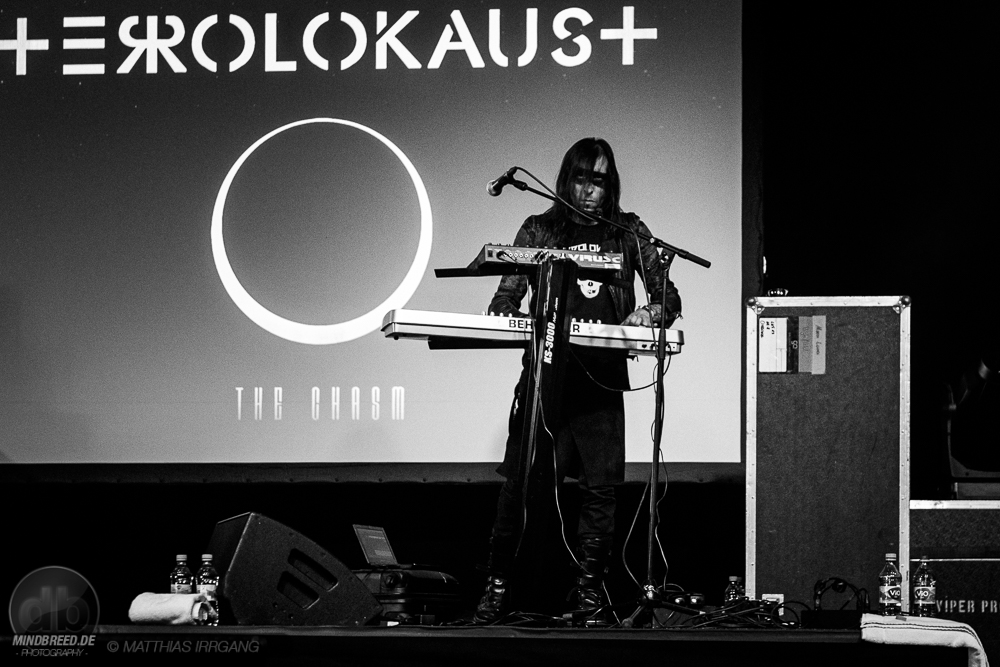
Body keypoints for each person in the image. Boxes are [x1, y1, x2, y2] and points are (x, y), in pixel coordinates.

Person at [474, 138, 682, 624]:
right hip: (546, 382)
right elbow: (504, 297)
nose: (589, 191)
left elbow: (667, 296)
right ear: (567, 179)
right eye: (582, 179)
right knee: (519, 488)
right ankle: (497, 590)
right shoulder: (540, 228)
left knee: (600, 494)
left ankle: (589, 598)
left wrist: (647, 312)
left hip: (602, 384)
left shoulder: (628, 232)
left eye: (599, 181)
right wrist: (508, 316)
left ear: (612, 185)